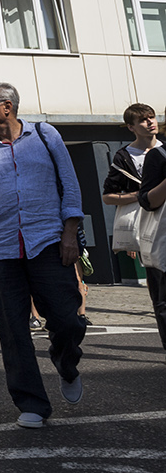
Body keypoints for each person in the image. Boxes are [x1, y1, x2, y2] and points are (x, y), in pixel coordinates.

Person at [0, 82, 86, 431]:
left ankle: (66, 362)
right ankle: (32, 403)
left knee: (67, 319)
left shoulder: (45, 136)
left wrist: (70, 233)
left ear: (6, 106)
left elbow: (70, 185)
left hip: (48, 242)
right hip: (1, 250)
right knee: (12, 329)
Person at [104, 103, 165, 350]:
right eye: (143, 120)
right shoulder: (124, 157)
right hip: (148, 225)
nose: (150, 122)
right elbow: (108, 196)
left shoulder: (162, 151)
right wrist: (138, 195)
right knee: (159, 287)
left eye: (152, 117)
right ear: (131, 127)